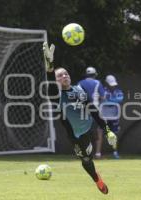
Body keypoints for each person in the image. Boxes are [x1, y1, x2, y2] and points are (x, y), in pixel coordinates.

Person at [43, 42, 117, 195]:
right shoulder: (56, 96)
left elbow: (95, 112)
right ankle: (97, 179)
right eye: (60, 75)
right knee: (86, 160)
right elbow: (50, 83)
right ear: (56, 81)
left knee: (89, 155)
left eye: (66, 74)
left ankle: (95, 172)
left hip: (89, 129)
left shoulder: (80, 90)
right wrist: (50, 67)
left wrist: (108, 131)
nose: (64, 76)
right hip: (76, 136)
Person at [99, 75, 124, 159]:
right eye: (110, 84)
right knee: (100, 134)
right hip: (103, 116)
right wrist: (112, 100)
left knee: (114, 134)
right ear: (106, 83)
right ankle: (98, 153)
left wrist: (109, 100)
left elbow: (120, 99)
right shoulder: (102, 91)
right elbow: (101, 99)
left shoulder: (118, 91)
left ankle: (115, 151)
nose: (112, 86)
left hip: (114, 116)